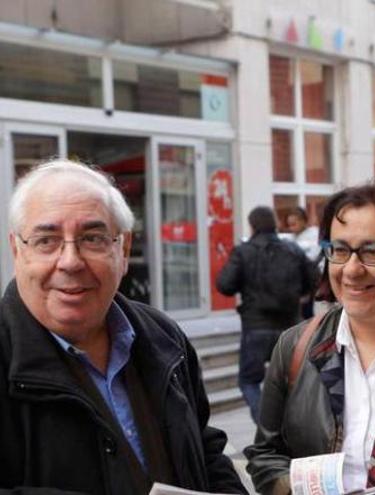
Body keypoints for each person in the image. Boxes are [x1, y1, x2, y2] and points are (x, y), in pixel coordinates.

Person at [0, 159, 245, 494]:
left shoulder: (163, 336)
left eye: (93, 238)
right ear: (17, 251)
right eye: (47, 240)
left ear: (124, 249)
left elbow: (203, 450)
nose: (70, 261)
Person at [245, 182, 375, 495]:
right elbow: (264, 456)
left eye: (372, 252)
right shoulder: (296, 347)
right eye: (340, 250)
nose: (351, 270)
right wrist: (304, 488)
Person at [217, 206, 318, 422]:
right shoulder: (292, 249)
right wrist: (299, 294)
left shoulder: (244, 251)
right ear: (275, 223)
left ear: (252, 225)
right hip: (291, 326)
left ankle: (267, 424)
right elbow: (315, 279)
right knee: (292, 381)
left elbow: (225, 285)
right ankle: (288, 426)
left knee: (249, 381)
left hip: (256, 326)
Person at [284, 206, 321, 319]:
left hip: (309, 284)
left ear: (303, 221)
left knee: (307, 317)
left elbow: (312, 258)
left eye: (294, 224)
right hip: (296, 285)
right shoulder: (291, 238)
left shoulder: (314, 235)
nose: (291, 228)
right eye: (289, 225)